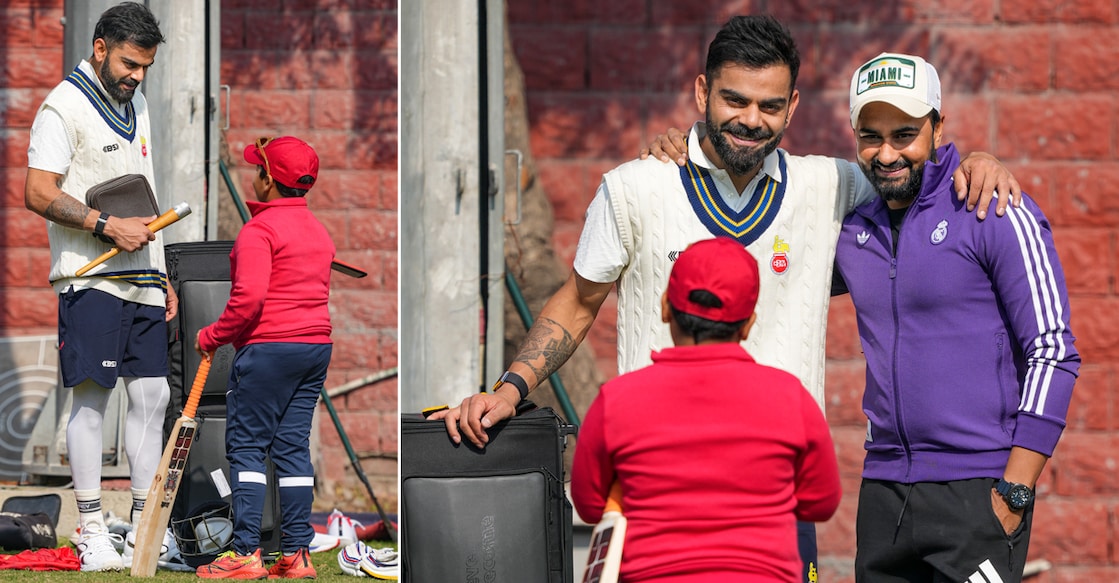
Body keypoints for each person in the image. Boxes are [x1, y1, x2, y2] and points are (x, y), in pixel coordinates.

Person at [432, 15, 1020, 582]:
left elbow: (911, 173)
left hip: (773, 502)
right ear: (701, 92)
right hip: (656, 495)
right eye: (734, 100)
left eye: (769, 106)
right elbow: (580, 301)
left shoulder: (834, 186)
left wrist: (974, 162)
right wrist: (509, 389)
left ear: (792, 107)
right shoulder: (636, 187)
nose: (750, 120)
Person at [833, 53, 1078, 582]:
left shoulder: (993, 209)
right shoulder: (851, 230)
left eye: (905, 133)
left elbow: (1054, 350)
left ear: (938, 128)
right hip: (883, 497)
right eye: (870, 136)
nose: (887, 153)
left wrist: (1015, 488)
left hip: (979, 493)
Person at [571, 237, 842, 582]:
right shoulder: (790, 397)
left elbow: (590, 505)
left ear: (666, 307)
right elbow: (821, 503)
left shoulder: (616, 400)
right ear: (747, 324)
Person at [23, 2, 173, 572]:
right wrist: (104, 225)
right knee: (90, 399)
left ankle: (142, 525)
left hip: (144, 278)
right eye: (131, 63)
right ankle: (90, 528)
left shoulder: (137, 106)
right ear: (100, 46)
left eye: (147, 67)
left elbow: (146, 195)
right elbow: (37, 191)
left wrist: (161, 273)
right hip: (90, 278)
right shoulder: (62, 106)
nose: (137, 76)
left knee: (153, 397)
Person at [193, 136, 335, 579]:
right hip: (316, 348)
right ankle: (296, 554)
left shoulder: (259, 231)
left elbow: (249, 298)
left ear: (269, 179)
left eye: (258, 169)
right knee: (292, 448)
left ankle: (244, 553)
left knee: (248, 448)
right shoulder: (318, 229)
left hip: (270, 348)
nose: (253, 175)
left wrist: (213, 335)